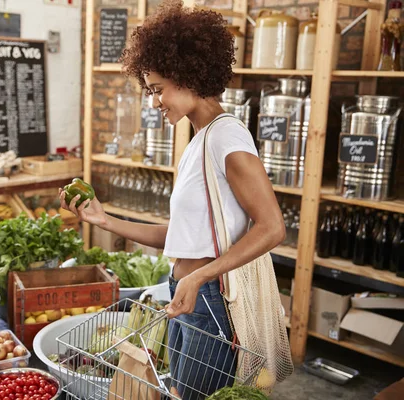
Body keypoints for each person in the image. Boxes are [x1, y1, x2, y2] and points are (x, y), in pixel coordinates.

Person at [60, 1, 285, 397]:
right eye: (150, 91)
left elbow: (272, 227)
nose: (153, 102)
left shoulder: (226, 138)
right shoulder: (200, 140)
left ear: (187, 75)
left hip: (212, 299)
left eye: (158, 89)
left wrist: (201, 276)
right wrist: (105, 220)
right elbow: (182, 236)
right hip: (188, 293)